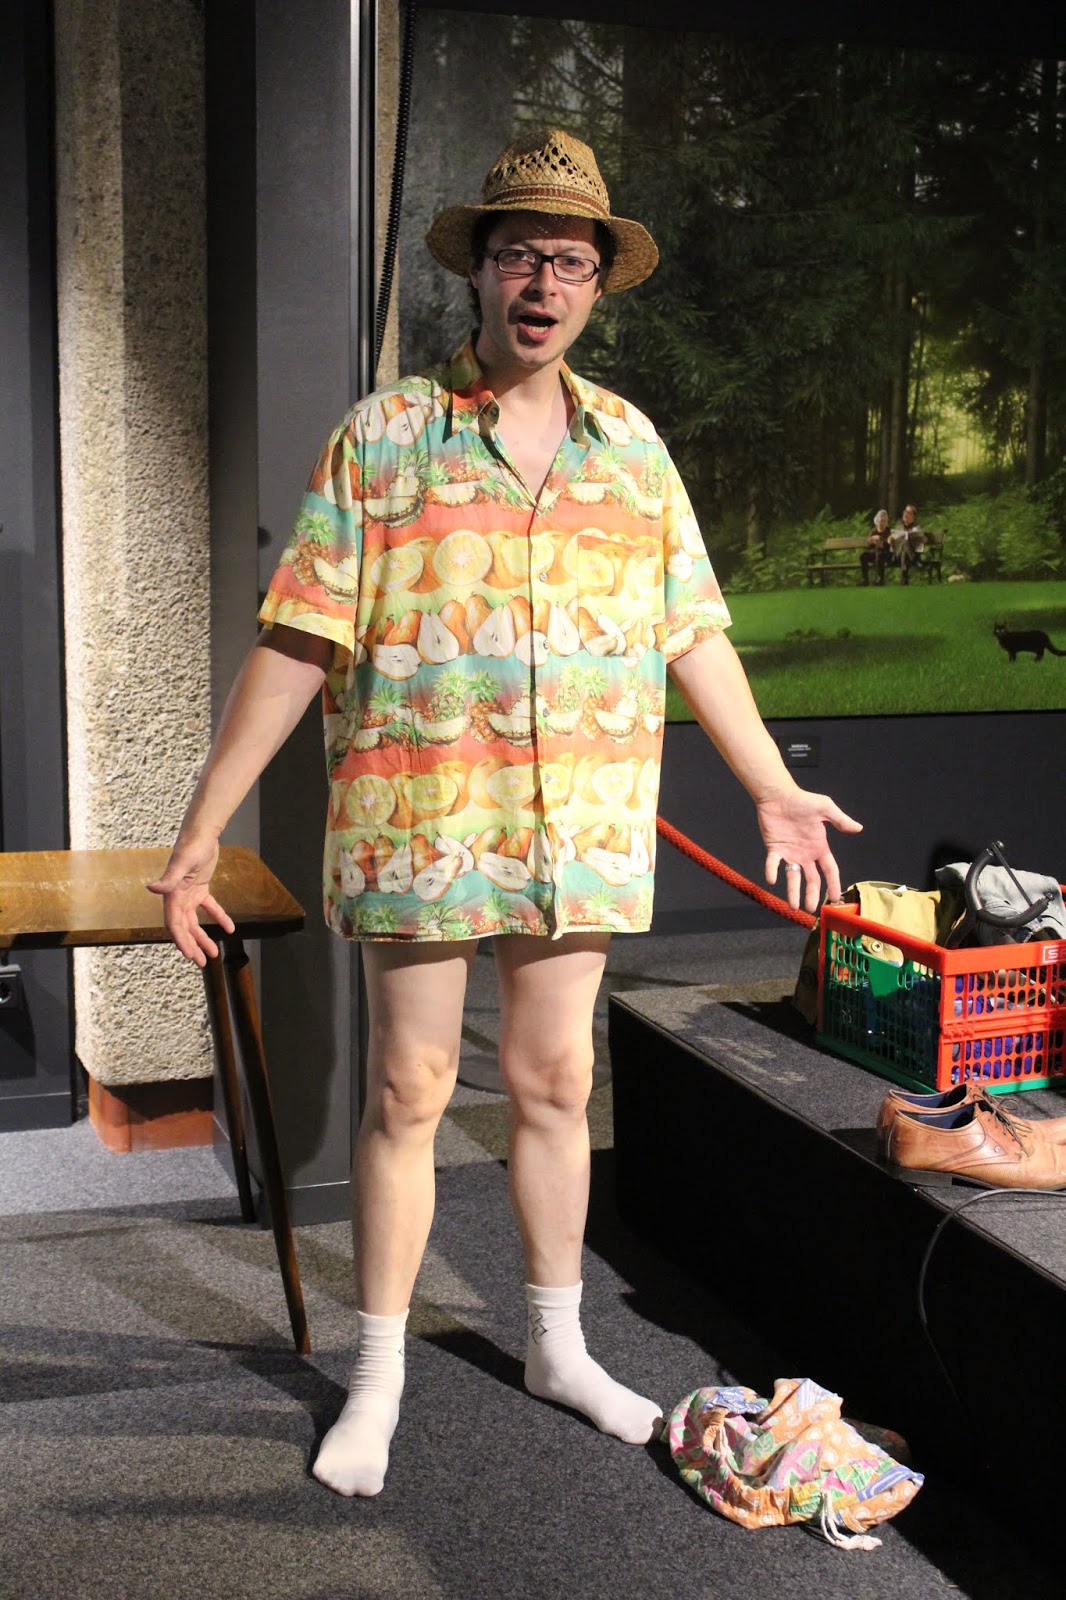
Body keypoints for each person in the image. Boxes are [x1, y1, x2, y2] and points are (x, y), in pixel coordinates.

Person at [149, 127, 861, 1498]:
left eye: (571, 262)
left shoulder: (629, 449)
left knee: (555, 1083)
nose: (545, 283)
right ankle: (379, 1372)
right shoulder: (385, 439)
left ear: (597, 285)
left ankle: (555, 1346)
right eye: (522, 254)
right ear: (477, 270)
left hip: (575, 821)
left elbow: (692, 631)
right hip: (421, 814)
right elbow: (295, 640)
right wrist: (200, 832)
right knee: (410, 1088)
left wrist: (770, 782)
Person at [894, 504, 926, 584]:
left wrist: (923, 538)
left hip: (907, 555)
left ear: (913, 516)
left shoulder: (917, 528)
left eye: (909, 513)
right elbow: (892, 539)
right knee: (905, 542)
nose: (906, 514)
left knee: (904, 551)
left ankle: (904, 577)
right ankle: (915, 560)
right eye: (905, 512)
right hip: (897, 555)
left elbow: (924, 539)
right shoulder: (899, 528)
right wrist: (890, 539)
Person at [860, 508, 893, 586]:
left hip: (886, 553)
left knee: (880, 555)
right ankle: (865, 579)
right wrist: (872, 541)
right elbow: (868, 543)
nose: (881, 523)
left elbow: (890, 543)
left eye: (884, 521)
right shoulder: (873, 531)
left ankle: (880, 579)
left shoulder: (889, 531)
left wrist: (882, 541)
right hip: (874, 552)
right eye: (880, 521)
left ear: (886, 522)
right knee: (863, 556)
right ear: (877, 521)